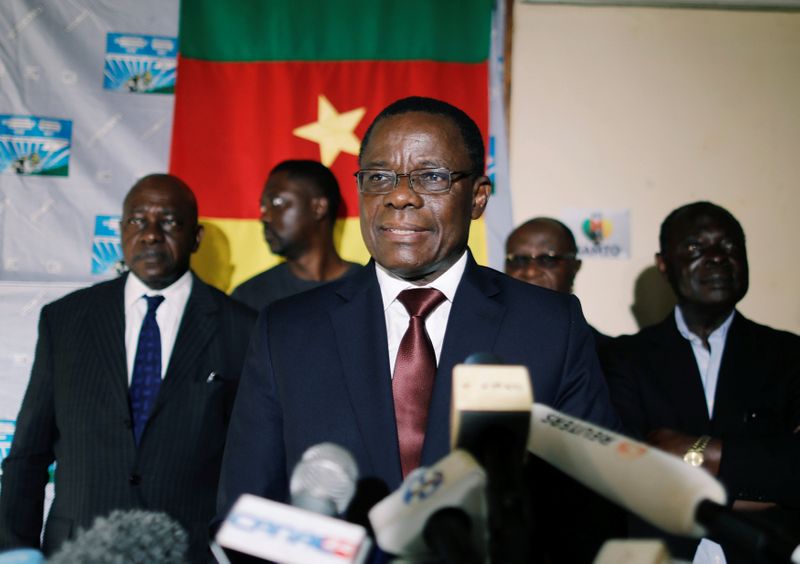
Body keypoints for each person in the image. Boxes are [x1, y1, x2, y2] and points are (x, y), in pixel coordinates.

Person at [217, 97, 620, 561]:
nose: (400, 195)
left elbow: (594, 509)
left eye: (431, 176)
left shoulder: (550, 326)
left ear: (478, 197)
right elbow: (244, 512)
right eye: (379, 177)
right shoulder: (285, 331)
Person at [0, 174, 257, 563]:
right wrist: (15, 550)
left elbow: (252, 464)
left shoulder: (242, 328)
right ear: (121, 231)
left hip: (187, 551)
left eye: (169, 222)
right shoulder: (66, 320)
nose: (151, 234)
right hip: (77, 548)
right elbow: (28, 454)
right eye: (137, 220)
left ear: (196, 236)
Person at [602, 201, 800, 561]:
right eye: (695, 248)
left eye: (728, 246)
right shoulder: (626, 358)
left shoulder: (789, 356)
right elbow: (631, 473)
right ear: (664, 265)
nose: (716, 258)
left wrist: (699, 451)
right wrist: (760, 481)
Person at [231, 160, 361, 311]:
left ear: (318, 208)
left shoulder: (372, 288)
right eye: (263, 206)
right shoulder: (248, 298)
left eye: (277, 202)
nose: (264, 217)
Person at [505, 217, 611, 349]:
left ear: (575, 267)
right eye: (518, 260)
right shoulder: (483, 341)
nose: (531, 271)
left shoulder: (605, 356)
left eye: (548, 259)